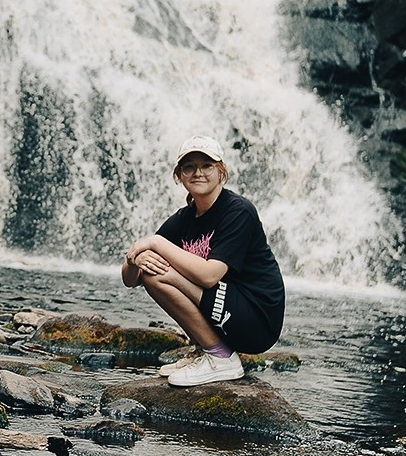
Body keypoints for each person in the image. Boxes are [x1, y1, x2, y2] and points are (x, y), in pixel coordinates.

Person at [121, 134, 285, 387]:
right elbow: (130, 281)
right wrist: (134, 261)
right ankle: (204, 349)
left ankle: (221, 358)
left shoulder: (238, 211)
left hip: (257, 319)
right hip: (226, 312)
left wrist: (155, 243)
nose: (198, 172)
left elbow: (210, 276)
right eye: (189, 167)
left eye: (207, 165)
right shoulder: (185, 218)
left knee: (163, 273)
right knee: (151, 272)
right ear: (180, 176)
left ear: (221, 172)